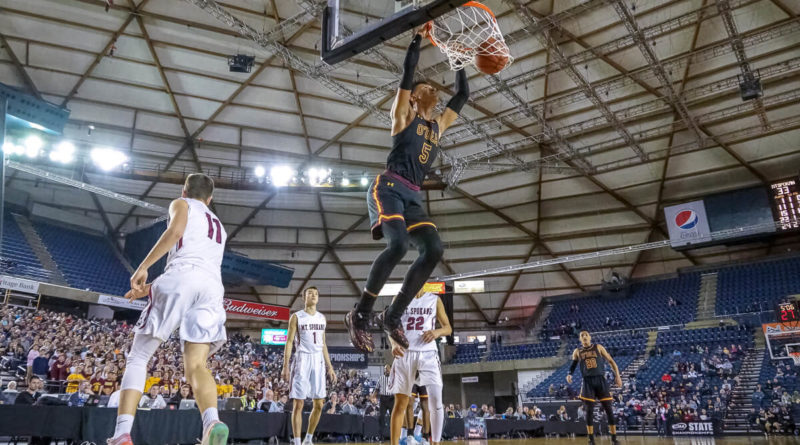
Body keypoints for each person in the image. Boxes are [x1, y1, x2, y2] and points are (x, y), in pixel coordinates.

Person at [346, 23, 468, 352]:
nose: (433, 88)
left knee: (434, 250)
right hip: (387, 187)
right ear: (414, 97)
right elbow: (408, 72)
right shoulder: (403, 116)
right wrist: (416, 38)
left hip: (413, 195)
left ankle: (393, 315)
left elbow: (462, 96)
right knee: (398, 245)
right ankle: (361, 313)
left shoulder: (437, 126)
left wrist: (459, 61)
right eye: (426, 86)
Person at [107, 173, 229, 445]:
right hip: (212, 289)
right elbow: (196, 271)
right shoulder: (219, 226)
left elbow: (175, 234)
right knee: (197, 365)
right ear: (210, 198)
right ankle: (212, 421)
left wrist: (143, 267)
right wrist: (152, 287)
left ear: (184, 191)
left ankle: (122, 433)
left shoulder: (181, 204)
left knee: (139, 357)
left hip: (181, 278)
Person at [388, 289, 452, 445]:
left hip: (428, 353)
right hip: (405, 353)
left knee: (435, 401)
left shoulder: (434, 299)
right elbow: (389, 326)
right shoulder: (399, 298)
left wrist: (436, 332)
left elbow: (448, 328)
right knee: (401, 403)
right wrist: (394, 344)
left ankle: (434, 442)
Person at [282, 286, 337, 445]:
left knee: (319, 404)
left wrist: (330, 367)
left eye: (316, 294)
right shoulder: (296, 317)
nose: (313, 295)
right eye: (310, 293)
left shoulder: (322, 318)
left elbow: (323, 344)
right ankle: (297, 441)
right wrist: (285, 365)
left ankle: (308, 439)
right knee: (298, 403)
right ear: (303, 297)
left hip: (318, 359)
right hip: (302, 359)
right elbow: (289, 341)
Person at [567, 331, 622, 445]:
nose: (584, 336)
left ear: (590, 337)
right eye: (582, 335)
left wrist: (617, 376)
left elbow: (611, 361)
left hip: (600, 380)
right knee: (589, 411)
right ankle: (591, 440)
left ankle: (614, 439)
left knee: (609, 409)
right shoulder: (577, 351)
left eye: (586, 335)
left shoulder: (598, 347)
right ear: (580, 339)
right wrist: (569, 374)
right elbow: (573, 365)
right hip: (588, 382)